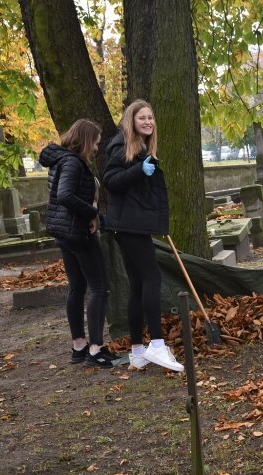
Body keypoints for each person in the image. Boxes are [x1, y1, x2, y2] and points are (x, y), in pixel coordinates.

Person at [103, 99, 184, 372]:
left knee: (138, 284)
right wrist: (139, 170)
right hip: (129, 225)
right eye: (142, 118)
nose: (148, 122)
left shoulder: (142, 147)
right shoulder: (122, 147)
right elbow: (110, 182)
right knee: (152, 278)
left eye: (150, 117)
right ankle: (158, 345)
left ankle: (137, 352)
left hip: (132, 223)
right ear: (131, 121)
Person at [41, 119, 123, 368]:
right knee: (100, 287)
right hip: (77, 233)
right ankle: (96, 348)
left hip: (65, 232)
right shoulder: (72, 163)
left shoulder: (61, 160)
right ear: (86, 140)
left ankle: (79, 346)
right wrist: (93, 214)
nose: (97, 148)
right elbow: (64, 195)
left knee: (77, 287)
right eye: (96, 143)